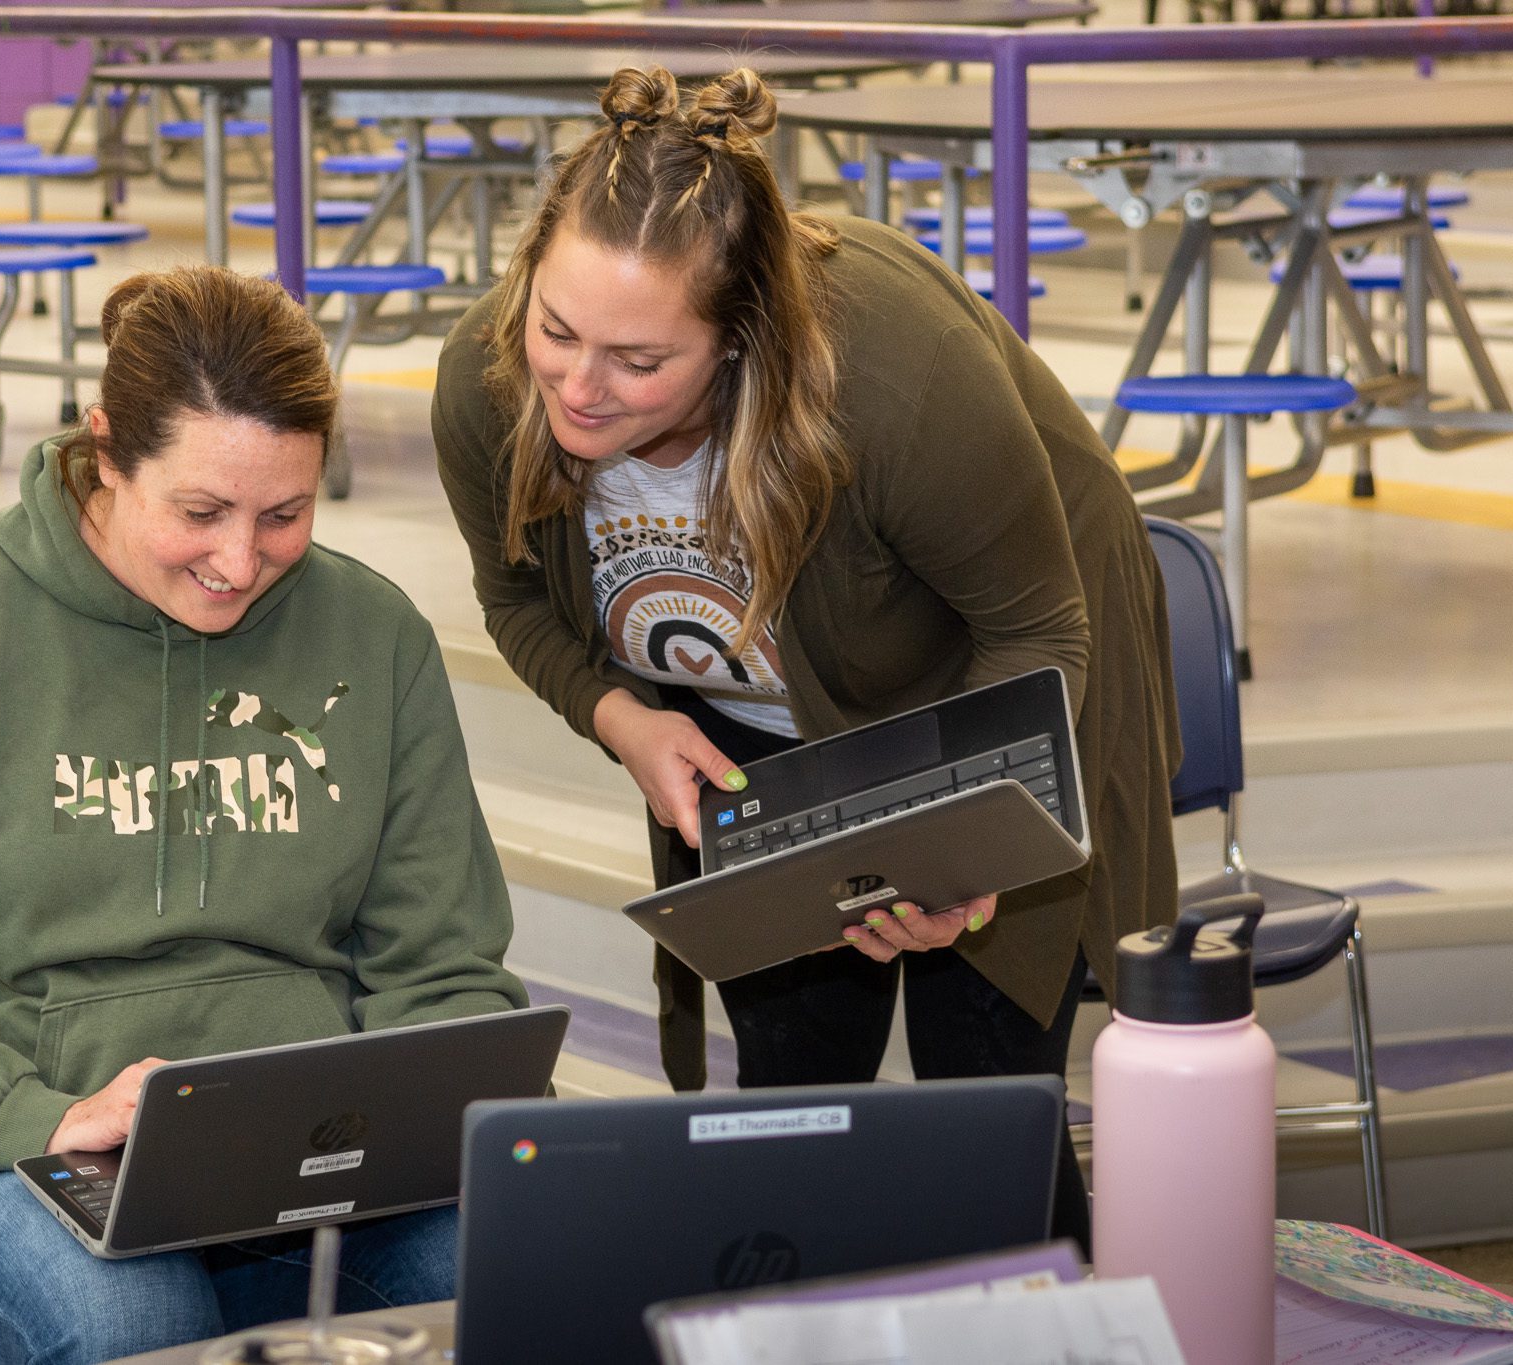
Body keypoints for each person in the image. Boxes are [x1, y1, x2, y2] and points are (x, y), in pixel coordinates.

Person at [432, 66, 1180, 1248]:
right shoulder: (489, 384)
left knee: (984, 1103)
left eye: (637, 362)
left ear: (739, 344)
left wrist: (955, 843)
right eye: (555, 330)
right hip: (755, 704)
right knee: (788, 1082)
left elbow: (1036, 628)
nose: (575, 389)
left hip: (986, 669)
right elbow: (512, 599)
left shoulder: (890, 378)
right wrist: (620, 717)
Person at [0, 265, 526, 1365]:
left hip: (309, 1167)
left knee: (520, 1265)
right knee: (134, 1320)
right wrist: (41, 1119)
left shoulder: (373, 635)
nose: (239, 561)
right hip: (2, 1162)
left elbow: (443, 967)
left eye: (284, 514)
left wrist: (390, 1118)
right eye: (199, 512)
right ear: (105, 452)